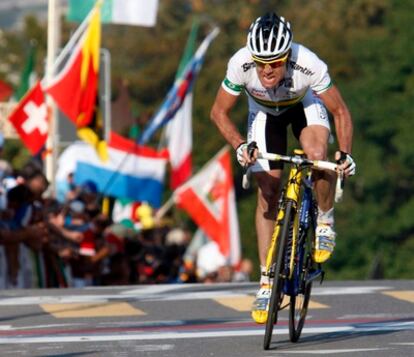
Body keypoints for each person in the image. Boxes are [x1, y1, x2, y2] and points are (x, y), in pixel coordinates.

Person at [210, 12, 356, 323]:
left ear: (288, 56)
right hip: (264, 114)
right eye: (261, 61)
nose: (266, 69)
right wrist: (239, 145)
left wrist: (345, 154)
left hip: (305, 106)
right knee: (268, 190)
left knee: (317, 154)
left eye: (275, 61)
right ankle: (266, 280)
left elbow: (340, 111)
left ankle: (325, 220)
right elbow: (218, 112)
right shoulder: (240, 63)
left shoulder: (309, 63)